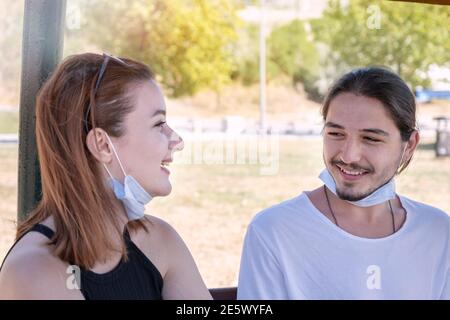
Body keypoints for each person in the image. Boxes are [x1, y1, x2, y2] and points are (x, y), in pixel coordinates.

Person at [0, 53, 212, 300]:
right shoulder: (34, 272)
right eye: (158, 124)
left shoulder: (161, 242)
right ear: (102, 144)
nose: (176, 141)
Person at [237, 67, 450, 300]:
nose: (348, 156)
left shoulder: (438, 233)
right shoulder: (273, 231)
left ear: (409, 145)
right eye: (336, 134)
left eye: (370, 138)